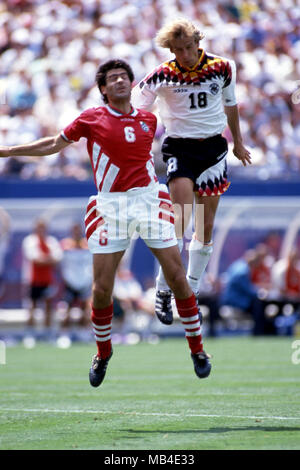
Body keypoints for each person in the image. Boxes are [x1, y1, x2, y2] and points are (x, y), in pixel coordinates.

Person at [0, 59, 211, 387]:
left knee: (176, 276)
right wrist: (9, 150)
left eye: (124, 77)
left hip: (148, 199)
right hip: (110, 205)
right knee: (101, 289)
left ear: (131, 83)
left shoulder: (149, 119)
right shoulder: (91, 118)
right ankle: (103, 352)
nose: (120, 81)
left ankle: (197, 349)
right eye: (112, 79)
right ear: (103, 89)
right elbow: (54, 144)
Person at [132, 17, 251, 325]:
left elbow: (231, 105)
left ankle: (192, 291)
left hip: (213, 149)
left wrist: (238, 142)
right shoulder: (162, 75)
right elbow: (135, 108)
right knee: (180, 221)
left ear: (198, 42)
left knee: (205, 226)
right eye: (177, 50)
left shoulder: (223, 67)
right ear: (170, 50)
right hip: (179, 148)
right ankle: (163, 289)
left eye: (187, 47)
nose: (183, 55)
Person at [22, 218, 63, 328]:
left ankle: (47, 331)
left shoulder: (51, 241)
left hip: (48, 279)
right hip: (33, 280)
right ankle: (30, 332)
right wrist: (48, 259)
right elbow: (35, 259)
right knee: (32, 306)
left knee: (48, 306)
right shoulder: (30, 241)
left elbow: (58, 257)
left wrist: (45, 259)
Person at [60, 222, 93, 328]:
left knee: (85, 309)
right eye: (74, 230)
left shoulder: (87, 244)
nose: (76, 232)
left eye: (78, 229)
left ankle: (83, 333)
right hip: (70, 282)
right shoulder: (66, 244)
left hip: (84, 282)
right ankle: (64, 333)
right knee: (67, 310)